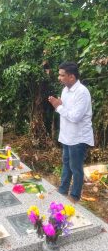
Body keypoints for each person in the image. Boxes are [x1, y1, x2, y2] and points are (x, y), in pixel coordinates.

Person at [48, 62, 94, 203]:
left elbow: (75, 117)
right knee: (66, 164)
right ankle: (62, 190)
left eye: (62, 75)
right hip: (67, 136)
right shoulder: (65, 90)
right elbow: (66, 110)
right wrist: (60, 105)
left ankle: (74, 196)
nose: (59, 78)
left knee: (76, 167)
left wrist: (58, 106)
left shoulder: (82, 92)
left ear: (72, 77)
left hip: (78, 137)